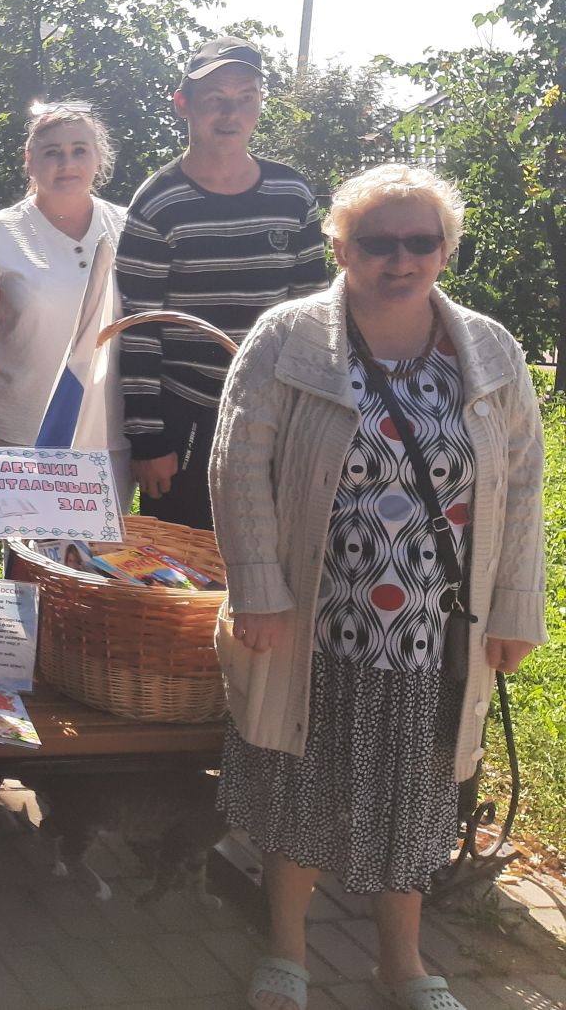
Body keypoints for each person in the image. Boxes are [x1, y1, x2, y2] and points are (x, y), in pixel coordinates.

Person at [211, 165, 545, 1010]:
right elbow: (240, 466)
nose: (400, 259)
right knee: (302, 779)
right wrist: (257, 588)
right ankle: (285, 946)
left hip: (438, 627)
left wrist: (514, 608)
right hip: (314, 612)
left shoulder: (491, 348)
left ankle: (402, 959)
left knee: (420, 791)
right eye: (377, 241)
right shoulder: (289, 335)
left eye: (419, 240)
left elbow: (524, 486)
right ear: (340, 245)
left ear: (445, 247)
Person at [117, 37, 330, 532]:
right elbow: (139, 328)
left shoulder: (292, 196)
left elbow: (314, 317)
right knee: (185, 571)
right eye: (215, 99)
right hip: (185, 414)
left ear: (260, 104)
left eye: (246, 98)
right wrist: (150, 441)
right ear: (183, 103)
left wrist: (306, 419)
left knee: (271, 562)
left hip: (272, 415)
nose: (230, 113)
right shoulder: (158, 202)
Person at [0, 103, 130, 491]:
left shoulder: (128, 228)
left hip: (109, 438)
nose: (67, 162)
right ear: (30, 160)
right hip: (21, 437)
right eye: (53, 152)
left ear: (98, 158)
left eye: (79, 150)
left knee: (104, 554)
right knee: (29, 553)